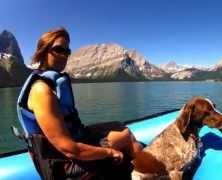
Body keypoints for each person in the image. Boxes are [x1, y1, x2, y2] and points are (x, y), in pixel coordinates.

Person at [16, 27, 142, 179]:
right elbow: (69, 149)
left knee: (120, 126)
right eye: (59, 50)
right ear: (43, 51)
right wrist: (110, 152)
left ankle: (141, 168)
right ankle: (144, 170)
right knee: (127, 136)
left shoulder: (50, 83)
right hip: (64, 164)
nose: (65, 55)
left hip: (76, 139)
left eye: (67, 51)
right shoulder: (41, 91)